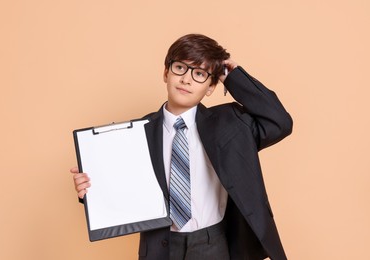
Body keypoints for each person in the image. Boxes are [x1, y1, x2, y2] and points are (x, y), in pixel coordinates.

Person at [70, 33, 293, 260]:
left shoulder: (231, 124)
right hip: (160, 246)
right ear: (166, 73)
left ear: (211, 86)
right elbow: (120, 188)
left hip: (213, 244)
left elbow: (280, 122)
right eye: (180, 68)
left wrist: (230, 74)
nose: (186, 80)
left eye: (199, 74)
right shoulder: (136, 133)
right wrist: (89, 189)